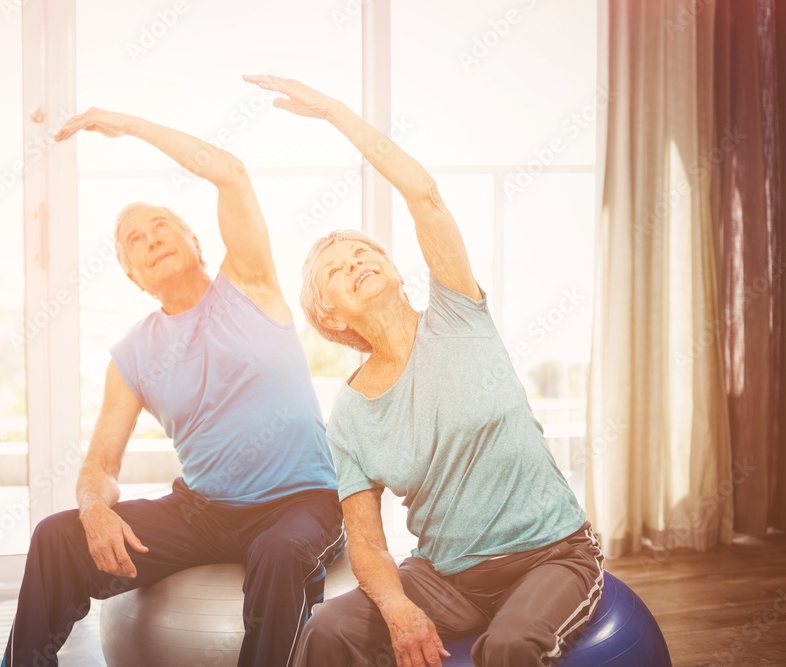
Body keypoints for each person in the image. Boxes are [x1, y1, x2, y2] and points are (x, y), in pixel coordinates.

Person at [242, 75, 603, 667]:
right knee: (329, 631)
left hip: (550, 556)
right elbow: (365, 539)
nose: (355, 259)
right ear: (328, 314)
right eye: (336, 267)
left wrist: (335, 113)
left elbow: (424, 195)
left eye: (364, 250)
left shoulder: (457, 313)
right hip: (448, 578)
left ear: (394, 268)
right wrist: (397, 608)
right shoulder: (352, 414)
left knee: (508, 648)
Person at [0, 107, 344, 667]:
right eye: (133, 239)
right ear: (133, 276)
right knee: (56, 536)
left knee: (279, 554)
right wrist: (93, 510)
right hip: (203, 513)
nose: (150, 237)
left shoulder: (250, 284)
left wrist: (128, 126)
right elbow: (100, 465)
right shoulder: (132, 354)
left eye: (161, 224)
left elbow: (229, 172)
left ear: (197, 242)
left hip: (300, 501)